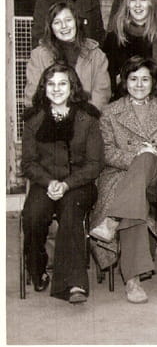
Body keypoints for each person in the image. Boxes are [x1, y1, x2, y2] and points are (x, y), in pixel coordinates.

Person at [89, 56, 157, 304]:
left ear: (153, 82)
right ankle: (133, 281)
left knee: (149, 158)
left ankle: (112, 220)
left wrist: (152, 154)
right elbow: (106, 152)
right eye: (133, 79)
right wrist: (137, 155)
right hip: (119, 177)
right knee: (135, 204)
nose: (139, 85)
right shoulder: (109, 112)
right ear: (124, 81)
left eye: (145, 79)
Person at [21, 63, 103, 303]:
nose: (56, 89)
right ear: (44, 87)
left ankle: (74, 283)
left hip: (78, 184)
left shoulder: (88, 118)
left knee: (71, 212)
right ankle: (37, 269)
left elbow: (95, 164)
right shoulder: (33, 119)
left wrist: (66, 185)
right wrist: (49, 183)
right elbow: (28, 163)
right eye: (51, 84)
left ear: (72, 87)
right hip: (44, 183)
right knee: (33, 215)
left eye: (62, 83)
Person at [25, 1, 111, 110]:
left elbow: (101, 95)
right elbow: (32, 97)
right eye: (57, 22)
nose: (64, 26)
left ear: (76, 22)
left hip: (86, 117)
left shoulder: (97, 55)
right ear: (51, 28)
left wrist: (82, 118)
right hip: (49, 118)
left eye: (68, 20)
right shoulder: (38, 55)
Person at [102, 0, 157, 95]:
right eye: (133, 0)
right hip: (123, 98)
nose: (137, 5)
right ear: (127, 4)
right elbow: (108, 78)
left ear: (151, 3)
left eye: (143, 0)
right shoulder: (114, 36)